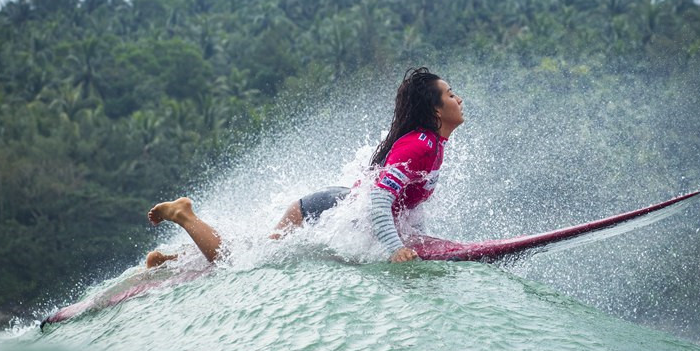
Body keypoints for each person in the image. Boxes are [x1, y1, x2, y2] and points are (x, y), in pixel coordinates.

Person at [146, 67, 464, 267]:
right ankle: (184, 214)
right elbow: (380, 199)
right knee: (242, 262)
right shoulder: (420, 144)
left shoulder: (435, 143)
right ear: (436, 109)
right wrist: (396, 248)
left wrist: (418, 238)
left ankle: (172, 262)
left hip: (337, 203)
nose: (458, 99)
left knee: (258, 250)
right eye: (451, 94)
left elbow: (407, 204)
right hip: (322, 209)